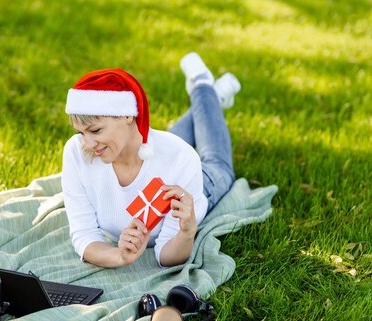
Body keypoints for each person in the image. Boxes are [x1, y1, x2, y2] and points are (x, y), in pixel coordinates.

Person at [61, 52, 240, 268]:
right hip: (148, 149)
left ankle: (203, 85)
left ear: (128, 115)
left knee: (216, 162)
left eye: (96, 130)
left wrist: (187, 231)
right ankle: (213, 97)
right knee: (165, 143)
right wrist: (119, 256)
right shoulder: (75, 151)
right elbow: (84, 236)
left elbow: (167, 254)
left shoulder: (181, 159)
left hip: (200, 181)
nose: (88, 144)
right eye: (81, 133)